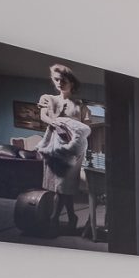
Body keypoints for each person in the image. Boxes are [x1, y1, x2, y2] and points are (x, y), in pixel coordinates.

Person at [37, 63, 95, 239]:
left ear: (71, 81)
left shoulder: (80, 105)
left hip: (72, 150)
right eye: (56, 80)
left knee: (64, 185)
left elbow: (86, 128)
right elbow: (43, 116)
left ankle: (55, 218)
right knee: (60, 187)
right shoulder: (50, 99)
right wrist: (54, 122)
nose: (59, 83)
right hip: (54, 146)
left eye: (63, 80)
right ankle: (71, 216)